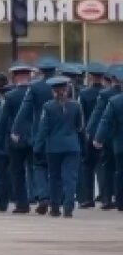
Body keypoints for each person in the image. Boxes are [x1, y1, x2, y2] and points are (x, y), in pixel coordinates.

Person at [11, 55, 60, 214]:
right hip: (59, 131)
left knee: (39, 165)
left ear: (40, 71)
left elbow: (25, 110)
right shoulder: (64, 86)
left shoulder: (35, 87)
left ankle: (43, 195)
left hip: (39, 130)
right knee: (56, 168)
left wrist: (16, 129)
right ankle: (56, 200)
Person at [35, 75, 84, 218]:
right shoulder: (76, 105)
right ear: (67, 89)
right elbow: (80, 127)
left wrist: (38, 147)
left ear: (53, 91)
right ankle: (68, 206)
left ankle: (55, 207)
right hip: (72, 146)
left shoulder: (48, 106)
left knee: (54, 177)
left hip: (53, 147)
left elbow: (43, 129)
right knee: (70, 177)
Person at [0, 63, 35, 213]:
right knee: (37, 169)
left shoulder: (10, 96)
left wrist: (1, 138)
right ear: (29, 76)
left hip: (16, 138)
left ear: (15, 78)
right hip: (34, 135)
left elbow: (4, 119)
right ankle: (40, 196)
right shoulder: (36, 92)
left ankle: (22, 203)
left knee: (18, 172)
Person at [91, 67, 123, 212]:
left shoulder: (114, 101)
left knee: (118, 171)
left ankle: (119, 200)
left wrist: (98, 138)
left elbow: (105, 120)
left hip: (118, 142)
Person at [77, 62, 107, 208]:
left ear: (90, 76)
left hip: (89, 133)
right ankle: (104, 195)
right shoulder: (108, 93)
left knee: (87, 166)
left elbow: (81, 116)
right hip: (106, 134)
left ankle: (88, 197)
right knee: (103, 165)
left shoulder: (84, 93)